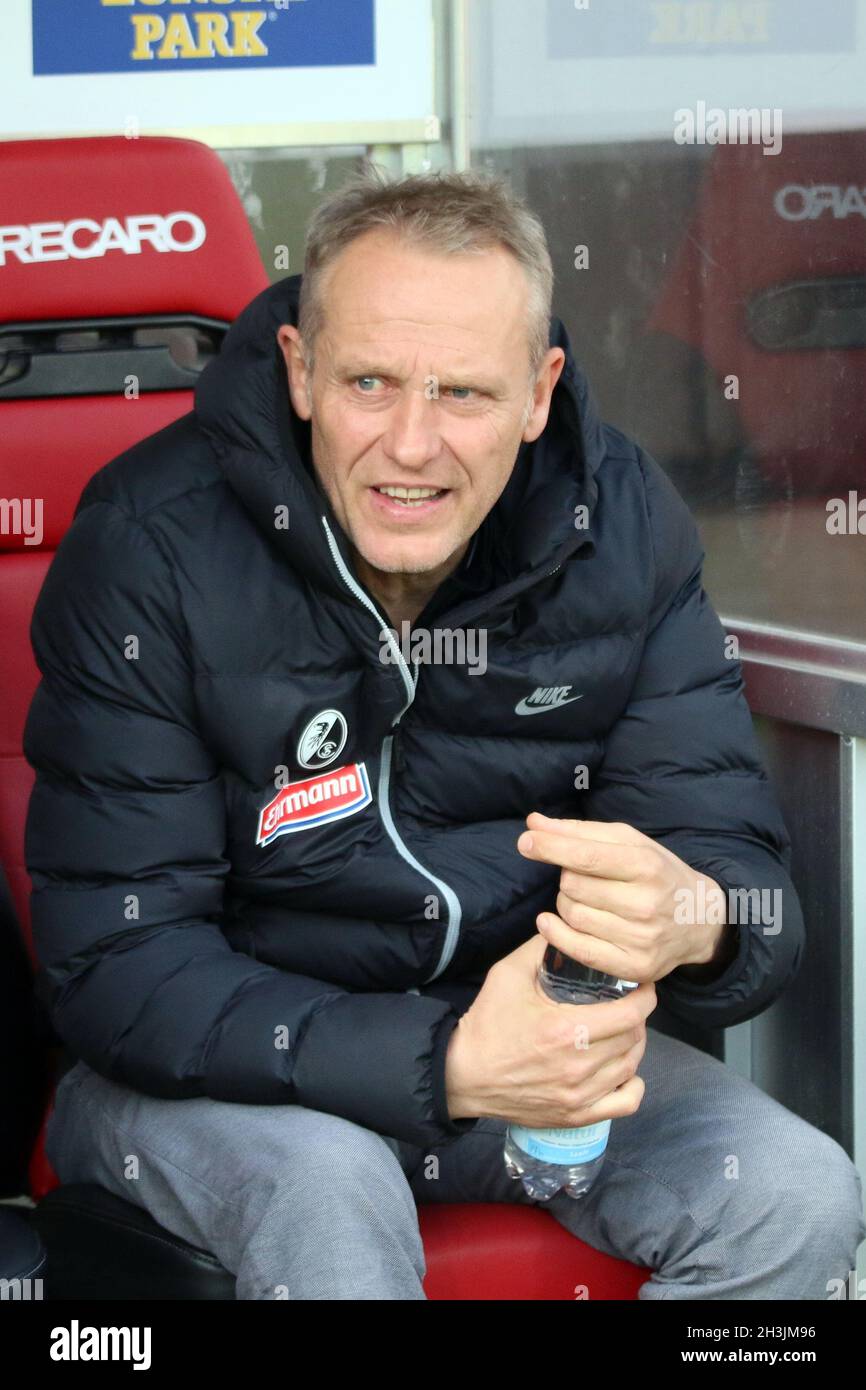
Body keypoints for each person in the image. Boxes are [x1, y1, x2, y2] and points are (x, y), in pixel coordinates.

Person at [28, 167, 864, 1300]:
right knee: (331, 1194)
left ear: (537, 391)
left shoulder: (619, 525)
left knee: (792, 1189)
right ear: (301, 371)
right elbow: (118, 967)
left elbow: (730, 861)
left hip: (530, 1043)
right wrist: (452, 1066)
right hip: (214, 1073)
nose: (412, 446)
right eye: (370, 380)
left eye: (464, 394)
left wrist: (696, 917)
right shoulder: (148, 542)